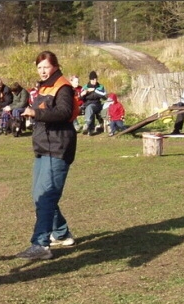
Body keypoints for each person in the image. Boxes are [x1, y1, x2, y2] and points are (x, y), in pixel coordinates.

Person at [16, 50, 77, 260]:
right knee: (38, 195)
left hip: (58, 147)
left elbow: (64, 113)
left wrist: (36, 113)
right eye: (39, 67)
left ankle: (40, 244)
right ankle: (61, 233)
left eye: (46, 67)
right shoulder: (44, 87)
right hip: (43, 147)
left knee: (47, 196)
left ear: (55, 66)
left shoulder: (63, 87)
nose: (42, 71)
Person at [80, 71, 107, 136]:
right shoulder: (85, 87)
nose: (95, 81)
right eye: (93, 79)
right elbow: (81, 98)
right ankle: (89, 128)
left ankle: (88, 125)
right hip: (87, 104)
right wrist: (82, 94)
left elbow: (104, 96)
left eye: (96, 79)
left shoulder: (100, 86)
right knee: (89, 107)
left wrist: (94, 90)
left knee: (90, 107)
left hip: (97, 104)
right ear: (90, 79)